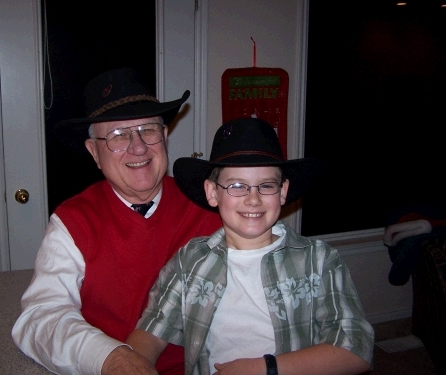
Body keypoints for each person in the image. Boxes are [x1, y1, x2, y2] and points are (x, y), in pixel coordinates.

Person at [11, 68, 223, 375]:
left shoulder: (208, 206)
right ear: (94, 152)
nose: (138, 147)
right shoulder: (73, 222)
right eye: (118, 135)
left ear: (164, 136)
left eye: (148, 130)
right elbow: (40, 317)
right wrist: (109, 358)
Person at [126, 117, 375, 375]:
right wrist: (129, 364)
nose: (253, 199)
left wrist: (264, 368)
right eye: (236, 186)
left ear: (282, 191)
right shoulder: (190, 261)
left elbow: (356, 349)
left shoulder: (319, 261)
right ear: (213, 192)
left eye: (266, 185)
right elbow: (151, 331)